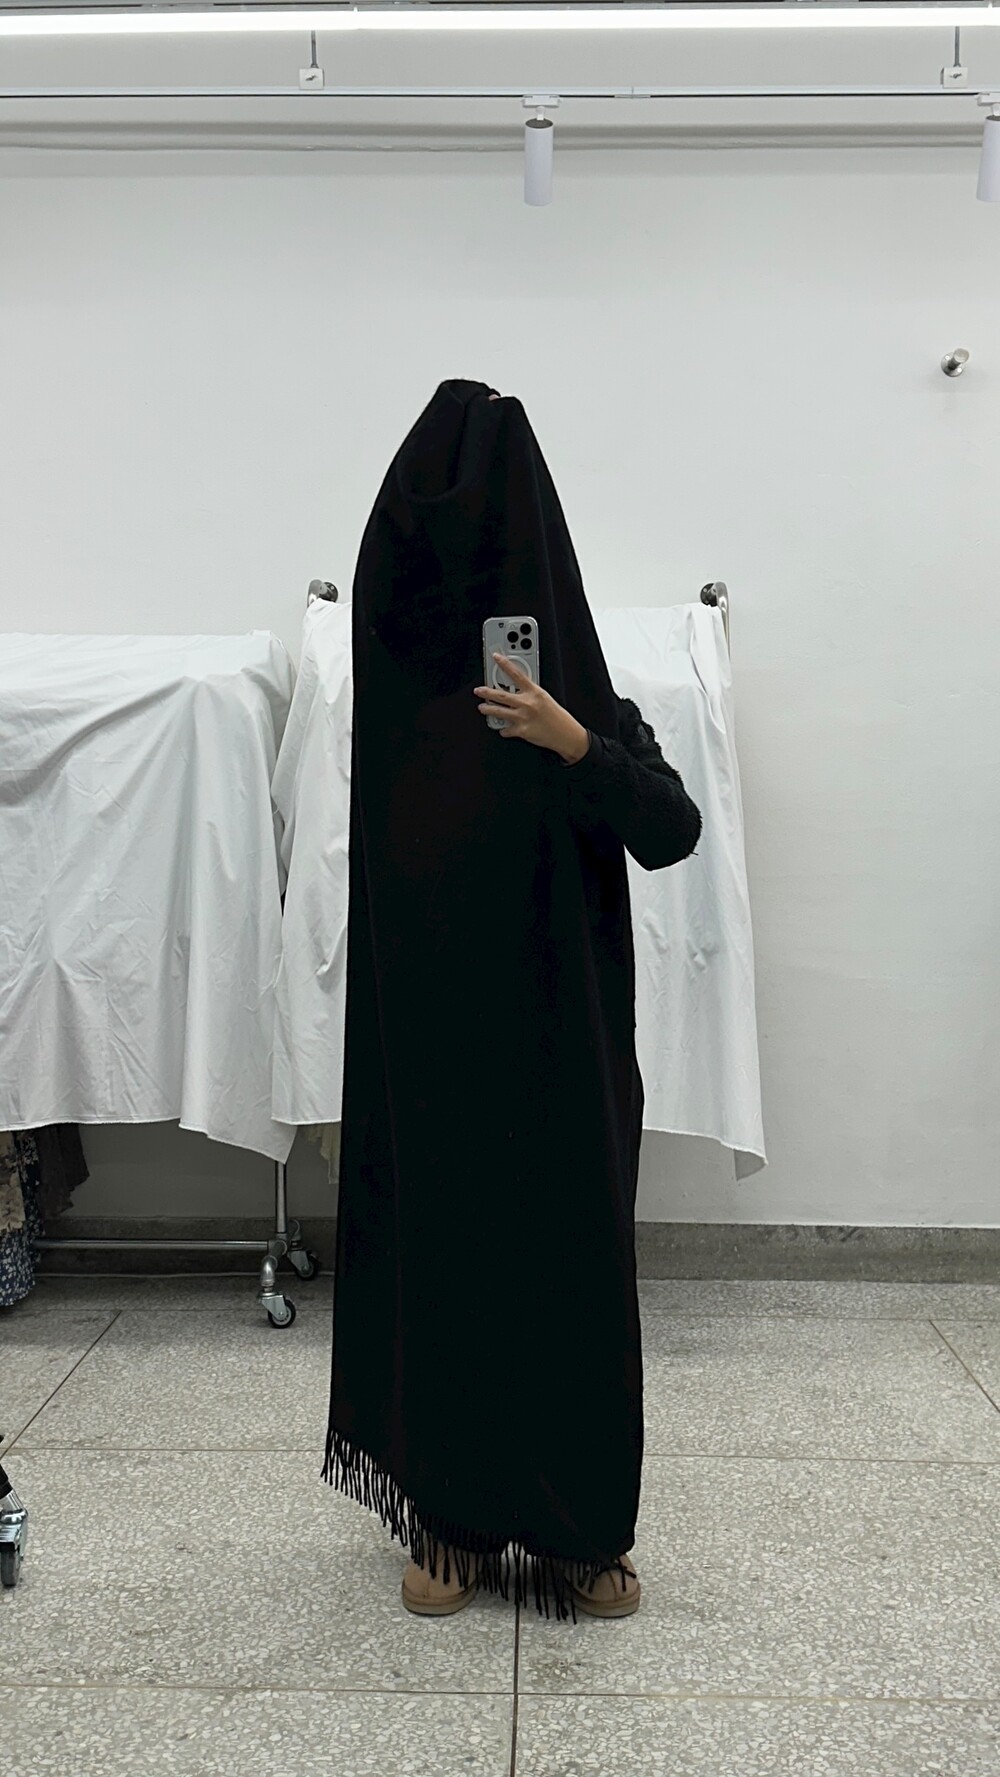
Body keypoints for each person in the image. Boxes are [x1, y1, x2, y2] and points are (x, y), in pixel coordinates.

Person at [322, 380, 702, 1624]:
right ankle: (454, 1517)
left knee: (569, 1262)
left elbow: (673, 829)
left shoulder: (581, 694)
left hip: (564, 1044)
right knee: (441, 1256)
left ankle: (581, 1530)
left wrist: (571, 741)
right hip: (436, 1052)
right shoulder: (398, 724)